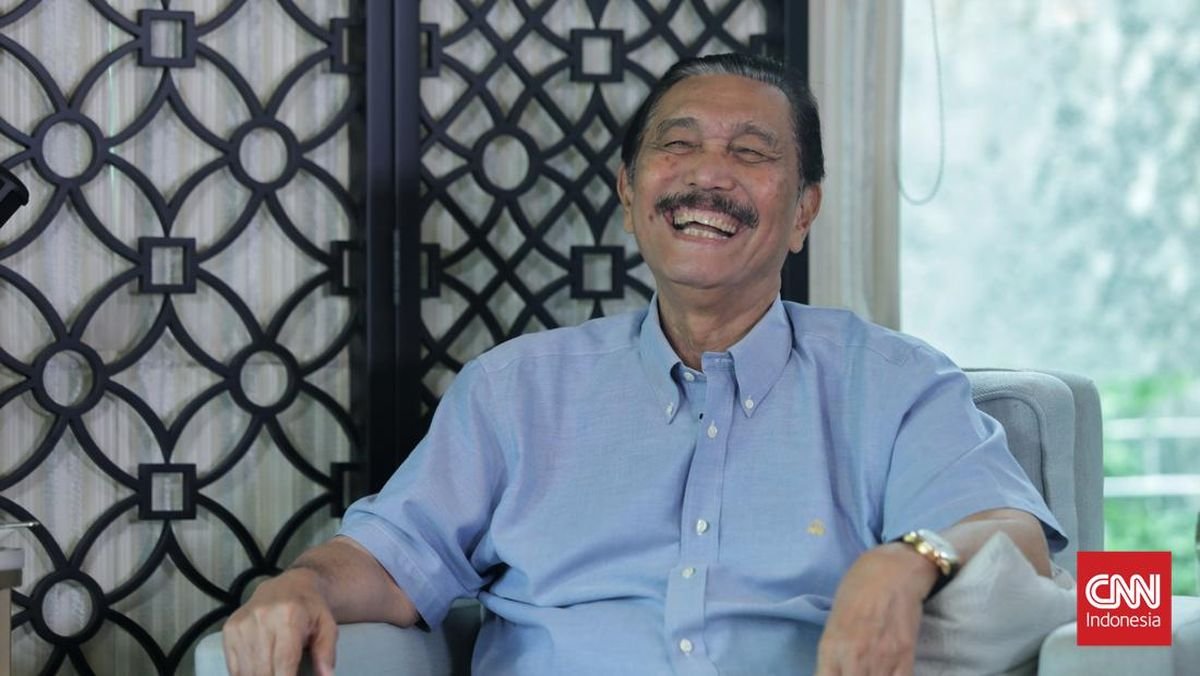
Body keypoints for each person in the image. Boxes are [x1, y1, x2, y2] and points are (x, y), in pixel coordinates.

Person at [222, 53, 1065, 676]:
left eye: (751, 152)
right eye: (678, 144)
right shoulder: (515, 393)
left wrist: (904, 559)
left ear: (804, 212)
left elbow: (1016, 539)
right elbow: (395, 557)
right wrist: (302, 585)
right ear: (630, 194)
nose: (708, 174)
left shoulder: (892, 383)